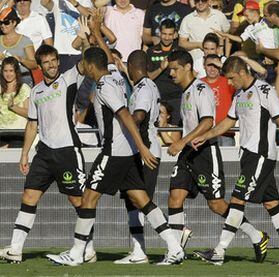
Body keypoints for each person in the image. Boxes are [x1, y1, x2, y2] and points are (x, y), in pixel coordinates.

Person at [46, 47, 185, 266]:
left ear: (91, 66)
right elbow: (109, 60)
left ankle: (76, 252)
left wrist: (143, 146)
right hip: (127, 152)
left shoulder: (104, 85)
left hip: (113, 152)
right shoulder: (116, 79)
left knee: (89, 198)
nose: (85, 70)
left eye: (86, 65)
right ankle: (175, 247)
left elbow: (125, 115)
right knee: (141, 199)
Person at [192, 56, 279, 265]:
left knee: (237, 200)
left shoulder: (265, 91)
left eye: (231, 78)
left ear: (241, 73)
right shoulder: (239, 94)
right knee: (272, 203)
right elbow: (228, 121)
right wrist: (206, 135)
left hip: (260, 155)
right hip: (248, 156)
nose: (229, 82)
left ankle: (219, 252)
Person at [166, 50, 268, 263]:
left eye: (175, 69)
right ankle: (175, 250)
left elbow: (207, 122)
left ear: (187, 67)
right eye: (170, 69)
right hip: (187, 154)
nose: (171, 73)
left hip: (205, 152)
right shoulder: (185, 92)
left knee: (217, 205)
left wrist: (182, 141)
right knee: (175, 198)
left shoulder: (201, 89)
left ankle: (256, 235)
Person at [0, 45, 95, 263]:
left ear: (58, 61)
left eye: (54, 60)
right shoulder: (36, 91)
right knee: (29, 197)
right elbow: (32, 125)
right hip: (43, 152)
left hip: (67, 151)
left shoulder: (69, 78)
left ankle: (88, 249)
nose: (52, 65)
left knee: (78, 200)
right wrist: (24, 155)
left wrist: (87, 37)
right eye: (47, 62)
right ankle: (15, 249)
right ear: (40, 65)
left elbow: (85, 61)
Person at [112, 50, 163, 264]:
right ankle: (138, 250)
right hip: (139, 150)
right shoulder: (144, 85)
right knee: (134, 201)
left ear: (133, 65)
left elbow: (139, 116)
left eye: (127, 66)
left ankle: (174, 237)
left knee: (141, 201)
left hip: (146, 150)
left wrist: (121, 123)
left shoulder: (143, 88)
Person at [147, 19, 184, 127]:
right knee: (155, 129)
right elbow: (148, 77)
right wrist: (161, 68)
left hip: (176, 98)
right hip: (158, 99)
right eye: (164, 34)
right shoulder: (150, 52)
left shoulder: (181, 52)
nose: (167, 37)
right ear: (159, 33)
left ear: (175, 34)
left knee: (177, 130)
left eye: (170, 34)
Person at [201, 54, 236, 146]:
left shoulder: (229, 81)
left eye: (216, 66)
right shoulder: (198, 84)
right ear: (204, 66)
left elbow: (240, 73)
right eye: (209, 65)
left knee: (226, 160)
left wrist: (223, 66)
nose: (212, 69)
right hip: (205, 133)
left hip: (226, 132)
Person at [0, 8, 37, 86]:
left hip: (23, 79)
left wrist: (21, 59)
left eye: (6, 22)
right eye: (1, 23)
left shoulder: (25, 40)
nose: (3, 25)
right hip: (2, 81)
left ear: (14, 22)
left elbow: (34, 64)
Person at [0, 57, 31, 148]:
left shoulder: (24, 88)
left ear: (16, 72)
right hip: (2, 133)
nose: (8, 74)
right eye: (5, 71)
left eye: (11, 71)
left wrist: (14, 107)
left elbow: (29, 113)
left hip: (18, 134)